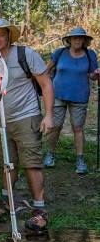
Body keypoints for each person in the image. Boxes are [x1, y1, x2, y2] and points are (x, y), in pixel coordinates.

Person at [0, 18, 54, 234]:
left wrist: (48, 115)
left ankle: (39, 211)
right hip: (1, 120)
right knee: (6, 163)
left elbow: (46, 83)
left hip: (27, 116)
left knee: (32, 163)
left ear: (9, 36)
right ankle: (8, 202)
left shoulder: (25, 54)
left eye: (1, 34)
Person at [43, 27, 100, 174]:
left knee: (78, 128)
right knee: (55, 126)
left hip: (79, 97)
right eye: (75, 38)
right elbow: (46, 71)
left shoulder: (90, 54)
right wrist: (45, 86)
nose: (77, 40)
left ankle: (80, 159)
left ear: (84, 40)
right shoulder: (60, 53)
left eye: (80, 38)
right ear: (69, 40)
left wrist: (96, 74)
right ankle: (50, 154)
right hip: (58, 95)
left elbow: (93, 76)